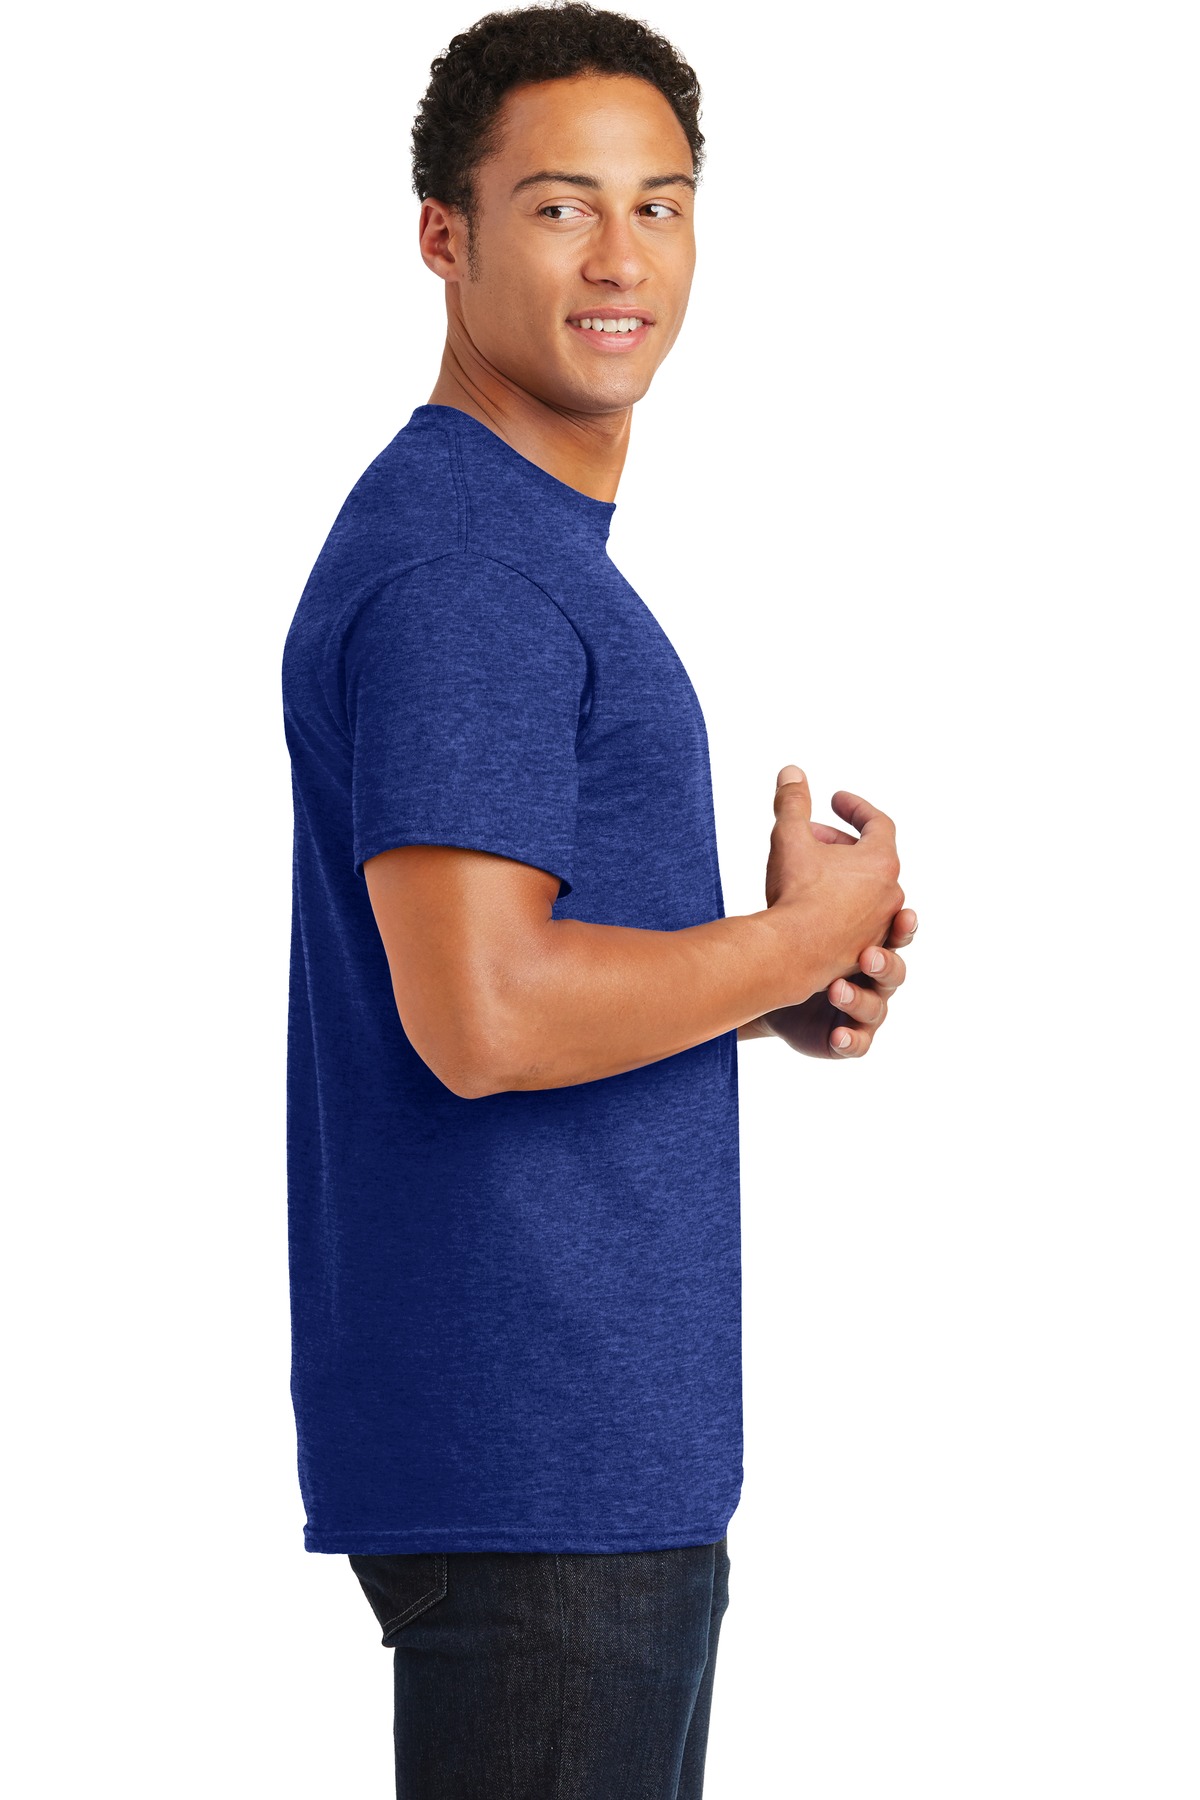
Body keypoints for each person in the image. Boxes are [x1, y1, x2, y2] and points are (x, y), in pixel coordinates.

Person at [280, 5, 917, 1795]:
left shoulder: (510, 547)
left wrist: (766, 988)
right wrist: (791, 936)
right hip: (541, 1459)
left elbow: (508, 974)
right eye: (560, 206)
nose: (623, 257)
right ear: (444, 235)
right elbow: (483, 1017)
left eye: (663, 205)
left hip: (571, 1458)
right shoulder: (469, 569)